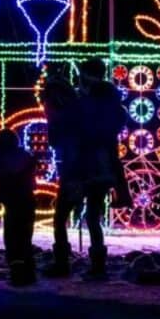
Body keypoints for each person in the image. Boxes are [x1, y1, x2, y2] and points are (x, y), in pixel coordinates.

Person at [72, 58, 127, 280]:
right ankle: (97, 261)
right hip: (103, 160)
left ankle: (97, 264)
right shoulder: (110, 99)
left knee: (92, 214)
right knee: (93, 213)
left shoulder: (93, 99)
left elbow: (86, 126)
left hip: (93, 161)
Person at [0, 128, 37, 286]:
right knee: (25, 238)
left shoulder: (3, 164)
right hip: (28, 203)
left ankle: (17, 271)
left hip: (13, 206)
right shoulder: (25, 159)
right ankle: (29, 270)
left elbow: (2, 189)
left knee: (12, 240)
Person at [41, 74, 82, 278]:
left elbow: (56, 143)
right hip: (86, 168)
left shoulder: (60, 119)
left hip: (73, 170)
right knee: (89, 217)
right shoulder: (78, 112)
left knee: (60, 218)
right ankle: (95, 263)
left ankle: (62, 262)